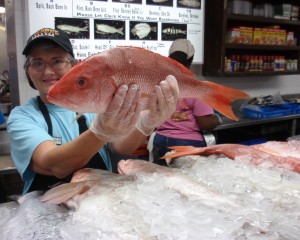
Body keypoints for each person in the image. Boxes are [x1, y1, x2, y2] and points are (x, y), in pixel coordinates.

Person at [7, 28, 179, 194]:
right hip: (49, 210)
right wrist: (100, 132)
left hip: (99, 203)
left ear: (73, 66)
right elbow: (54, 165)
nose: (48, 71)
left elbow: (121, 147)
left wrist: (146, 123)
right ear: (27, 71)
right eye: (37, 63)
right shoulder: (22, 116)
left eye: (57, 61)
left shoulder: (94, 104)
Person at [152, 39, 222, 166]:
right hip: (186, 144)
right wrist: (216, 119)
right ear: (191, 60)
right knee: (187, 182)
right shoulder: (195, 86)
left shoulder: (160, 83)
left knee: (162, 180)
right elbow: (204, 123)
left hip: (160, 140)